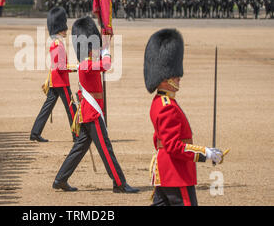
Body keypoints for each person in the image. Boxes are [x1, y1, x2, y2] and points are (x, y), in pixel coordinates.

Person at [52, 16, 139, 193]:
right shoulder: (85, 64)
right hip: (92, 112)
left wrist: (107, 37)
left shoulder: (89, 60)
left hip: (90, 110)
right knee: (106, 148)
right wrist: (106, 49)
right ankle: (119, 183)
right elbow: (106, 64)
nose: (96, 50)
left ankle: (60, 179)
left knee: (80, 147)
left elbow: (101, 56)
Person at [143, 28, 229, 206]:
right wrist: (205, 153)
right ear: (165, 78)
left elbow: (158, 139)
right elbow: (174, 146)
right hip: (176, 172)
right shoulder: (167, 107)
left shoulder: (160, 102)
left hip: (166, 169)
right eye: (175, 75)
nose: (179, 78)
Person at [30, 7, 77, 142]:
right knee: (71, 108)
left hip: (55, 80)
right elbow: (61, 67)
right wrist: (76, 68)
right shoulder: (58, 45)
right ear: (60, 28)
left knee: (47, 107)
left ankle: (35, 132)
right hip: (61, 81)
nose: (66, 30)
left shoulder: (56, 43)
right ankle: (77, 135)